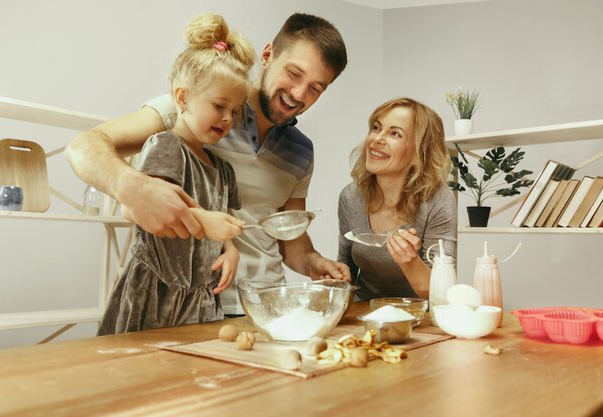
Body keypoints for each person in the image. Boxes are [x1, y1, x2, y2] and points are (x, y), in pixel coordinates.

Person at [66, 13, 351, 316]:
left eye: (315, 88)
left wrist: (314, 262)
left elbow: (290, 241)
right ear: (267, 56)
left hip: (267, 310)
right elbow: (84, 146)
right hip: (191, 308)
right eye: (294, 74)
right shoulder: (195, 108)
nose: (298, 94)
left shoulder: (302, 151)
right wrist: (132, 187)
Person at [96, 13, 254, 334]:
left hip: (200, 298)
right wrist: (206, 222)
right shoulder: (167, 146)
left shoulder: (223, 170)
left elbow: (222, 227)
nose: (227, 118)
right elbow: (149, 208)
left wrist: (232, 250)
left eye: (235, 111)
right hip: (154, 291)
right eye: (219, 105)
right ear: (182, 98)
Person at [337, 97, 457, 301]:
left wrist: (409, 262)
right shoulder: (351, 196)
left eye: (395, 134)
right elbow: (345, 265)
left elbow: (443, 291)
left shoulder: (438, 199)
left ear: (418, 153)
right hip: (365, 314)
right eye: (376, 128)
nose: (376, 139)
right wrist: (335, 279)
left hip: (420, 317)